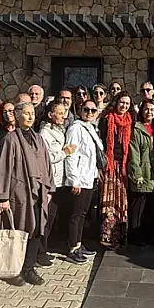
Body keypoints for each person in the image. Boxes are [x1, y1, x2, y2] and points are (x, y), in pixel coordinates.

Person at [0, 102, 56, 286]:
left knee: (36, 230)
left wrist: (49, 188)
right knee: (19, 230)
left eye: (32, 113)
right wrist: (2, 197)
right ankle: (14, 269)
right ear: (17, 116)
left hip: (39, 193)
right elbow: (3, 168)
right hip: (19, 193)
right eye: (25, 113)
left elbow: (47, 164)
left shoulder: (38, 138)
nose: (29, 116)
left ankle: (29, 267)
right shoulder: (11, 139)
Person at [63, 100, 103, 263]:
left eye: (93, 110)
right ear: (80, 110)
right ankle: (72, 247)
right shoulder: (75, 128)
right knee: (76, 214)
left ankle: (78, 244)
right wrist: (74, 180)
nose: (90, 113)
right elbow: (71, 155)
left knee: (83, 214)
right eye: (86, 109)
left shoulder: (91, 128)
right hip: (79, 178)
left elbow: (93, 154)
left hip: (89, 177)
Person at [41, 99, 78, 254]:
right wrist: (65, 152)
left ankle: (48, 247)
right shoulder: (45, 133)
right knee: (47, 218)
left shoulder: (61, 129)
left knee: (54, 217)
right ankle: (40, 252)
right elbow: (46, 157)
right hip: (51, 181)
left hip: (61, 179)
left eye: (64, 113)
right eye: (60, 113)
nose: (63, 116)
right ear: (51, 114)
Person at [99, 92, 133, 249]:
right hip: (110, 166)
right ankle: (107, 237)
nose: (124, 106)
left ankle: (120, 237)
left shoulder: (130, 121)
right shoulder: (107, 119)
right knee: (109, 203)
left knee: (121, 203)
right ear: (116, 102)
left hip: (124, 167)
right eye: (122, 102)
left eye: (127, 104)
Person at [127, 99, 154, 247]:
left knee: (152, 206)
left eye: (152, 110)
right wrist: (136, 173)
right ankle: (136, 235)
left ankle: (150, 234)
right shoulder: (137, 128)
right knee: (138, 206)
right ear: (141, 111)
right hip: (143, 171)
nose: (149, 112)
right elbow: (134, 153)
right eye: (146, 109)